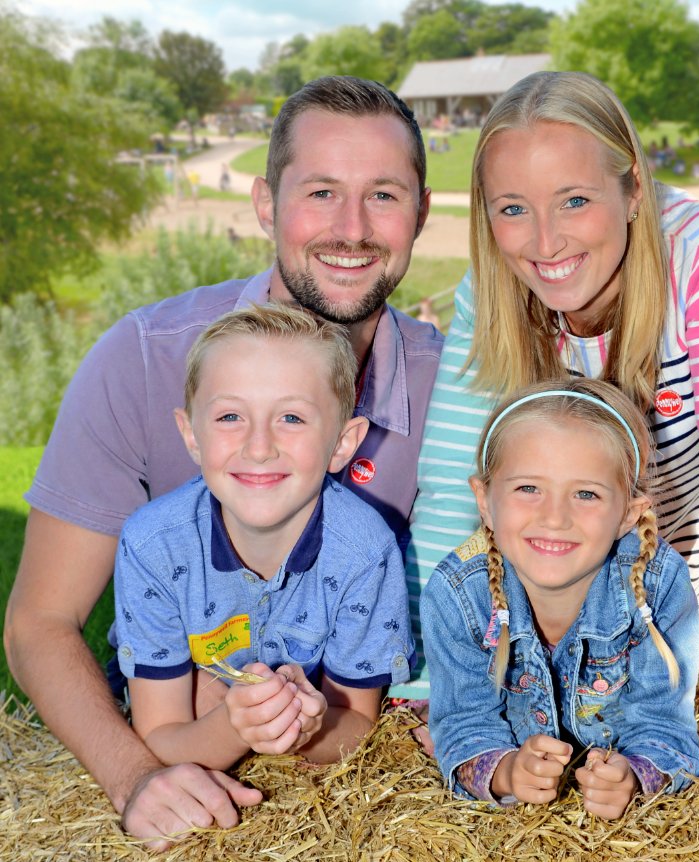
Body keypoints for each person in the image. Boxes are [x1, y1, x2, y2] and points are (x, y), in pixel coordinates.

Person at [4, 75, 443, 849]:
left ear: (421, 214)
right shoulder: (142, 359)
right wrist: (134, 776)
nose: (352, 228)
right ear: (265, 205)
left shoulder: (456, 390)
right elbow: (41, 621)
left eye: (383, 195)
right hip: (172, 706)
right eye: (320, 192)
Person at [403, 71, 699, 791]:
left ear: (632, 192)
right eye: (512, 209)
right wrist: (433, 691)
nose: (545, 240)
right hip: (561, 640)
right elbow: (448, 496)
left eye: (576, 201)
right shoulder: (492, 290)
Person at [114, 303, 415, 772]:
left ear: (343, 443)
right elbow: (159, 736)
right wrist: (235, 727)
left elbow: (357, 724)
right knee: (196, 692)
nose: (258, 447)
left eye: (291, 418)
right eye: (230, 416)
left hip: (304, 706)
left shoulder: (366, 551)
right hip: (183, 701)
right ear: (191, 435)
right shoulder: (153, 544)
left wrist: (307, 729)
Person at [422, 379, 699, 817]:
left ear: (627, 516)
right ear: (485, 500)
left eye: (586, 494)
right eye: (528, 489)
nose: (554, 517)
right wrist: (507, 771)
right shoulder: (458, 593)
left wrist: (634, 776)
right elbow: (464, 723)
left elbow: (665, 724)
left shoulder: (656, 585)